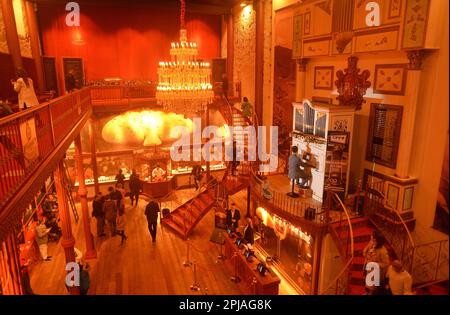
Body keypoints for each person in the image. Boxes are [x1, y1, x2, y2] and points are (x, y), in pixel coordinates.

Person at [363, 230, 390, 295]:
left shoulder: (383, 251)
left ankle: (370, 293)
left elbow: (386, 264)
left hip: (374, 272)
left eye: (372, 236)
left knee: (372, 287)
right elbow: (366, 250)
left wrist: (374, 264)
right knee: (366, 281)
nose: (371, 236)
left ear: (375, 239)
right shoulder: (371, 242)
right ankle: (367, 292)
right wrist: (365, 253)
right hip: (367, 266)